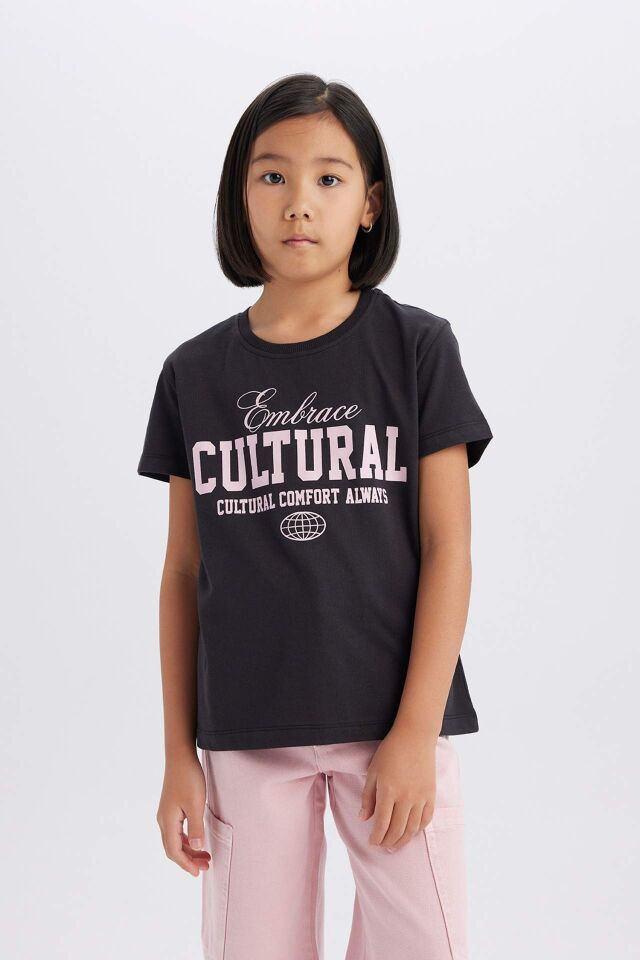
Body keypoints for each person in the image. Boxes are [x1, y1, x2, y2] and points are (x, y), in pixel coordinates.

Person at [137, 72, 493, 960]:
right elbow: (183, 573)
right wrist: (179, 755)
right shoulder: (193, 375)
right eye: (273, 176)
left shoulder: (417, 349)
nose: (299, 201)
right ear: (240, 197)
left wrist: (415, 731)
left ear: (370, 204)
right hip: (245, 735)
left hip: (392, 727)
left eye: (329, 178)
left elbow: (448, 547)